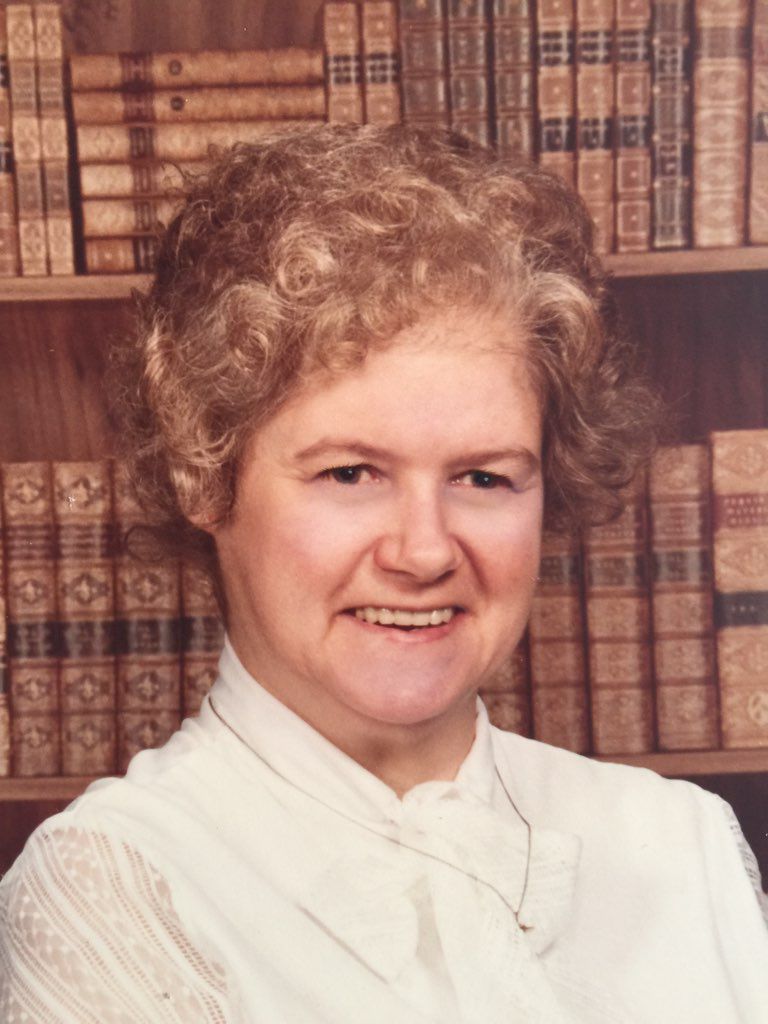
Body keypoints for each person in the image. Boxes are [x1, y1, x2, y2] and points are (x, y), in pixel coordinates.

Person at [1, 123, 766, 1023]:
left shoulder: (681, 843)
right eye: (350, 473)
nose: (425, 551)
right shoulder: (117, 884)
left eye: (483, 478)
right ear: (203, 475)